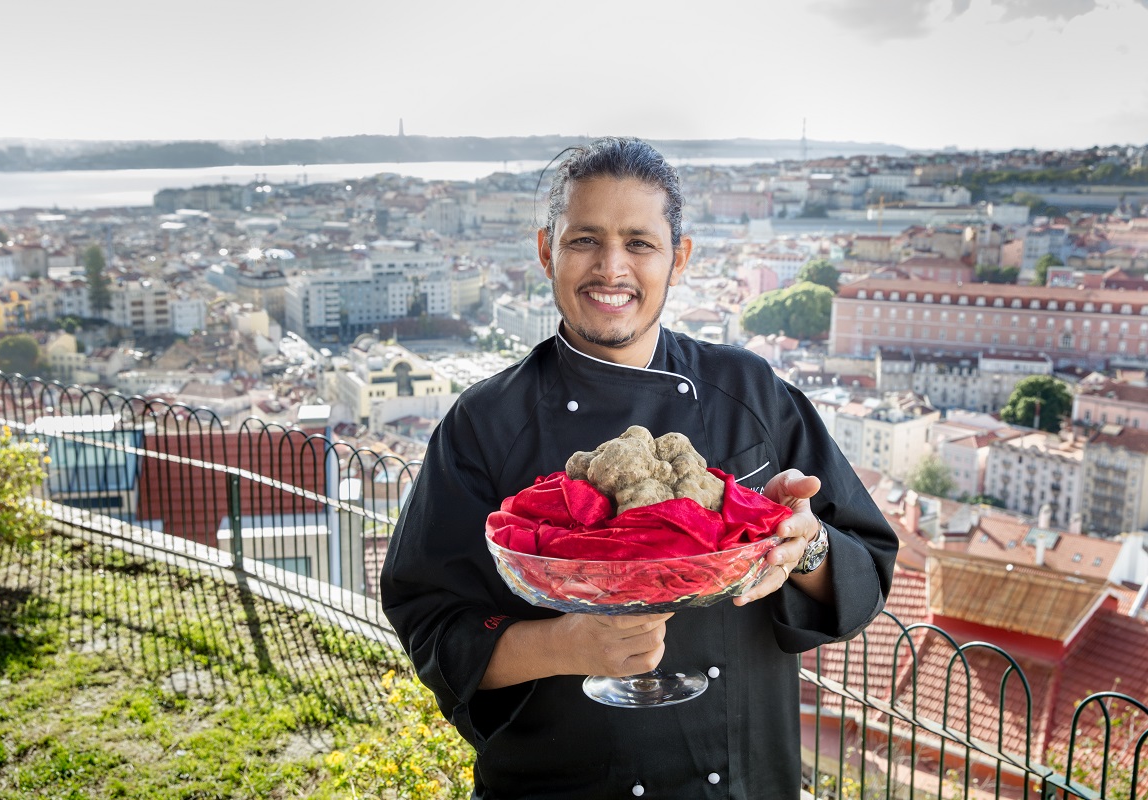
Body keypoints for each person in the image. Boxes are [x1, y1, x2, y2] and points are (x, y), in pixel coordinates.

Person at [381, 137, 898, 799]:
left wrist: (806, 545)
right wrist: (568, 645)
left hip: (742, 783)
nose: (611, 267)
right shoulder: (484, 424)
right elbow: (430, 623)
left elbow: (868, 571)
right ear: (547, 251)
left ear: (678, 258)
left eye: (640, 242)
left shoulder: (753, 393)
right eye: (584, 240)